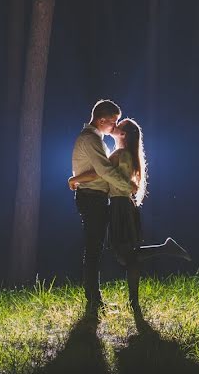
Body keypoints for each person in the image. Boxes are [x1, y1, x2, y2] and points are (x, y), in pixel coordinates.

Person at [69, 117, 190, 324]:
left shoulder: (121, 154)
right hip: (122, 205)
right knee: (127, 255)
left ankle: (164, 250)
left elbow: (103, 175)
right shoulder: (124, 154)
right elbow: (115, 178)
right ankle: (134, 302)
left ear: (122, 134)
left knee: (126, 256)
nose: (113, 128)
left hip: (120, 206)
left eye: (118, 127)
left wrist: (75, 179)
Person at [69, 99, 127, 315]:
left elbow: (97, 170)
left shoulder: (96, 139)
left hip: (94, 196)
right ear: (101, 120)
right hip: (91, 197)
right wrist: (127, 186)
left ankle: (94, 298)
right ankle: (94, 300)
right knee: (93, 249)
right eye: (113, 122)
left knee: (96, 248)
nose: (115, 127)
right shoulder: (90, 139)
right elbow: (103, 171)